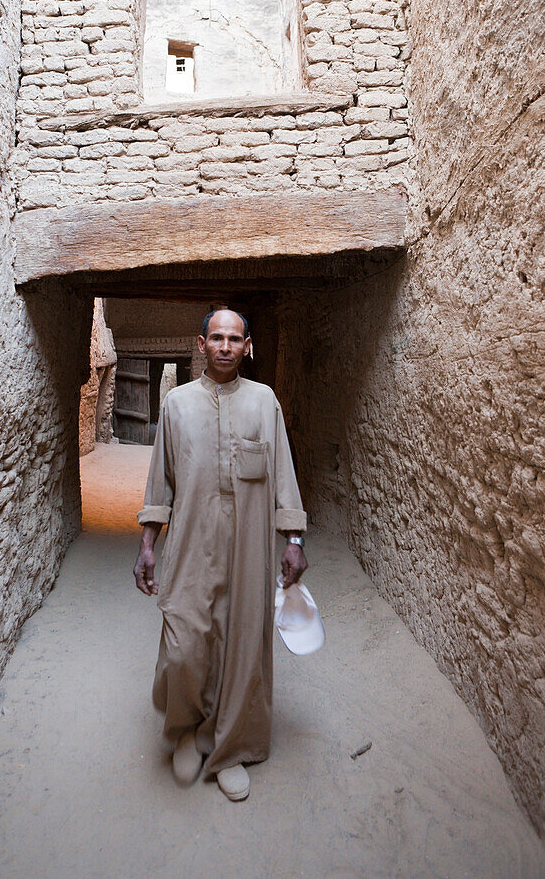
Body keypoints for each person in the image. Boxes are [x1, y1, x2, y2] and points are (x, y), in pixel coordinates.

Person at [133, 308, 308, 801]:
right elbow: (160, 480)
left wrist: (292, 540)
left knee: (243, 642)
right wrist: (148, 545)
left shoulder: (264, 401)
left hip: (250, 543)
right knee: (186, 639)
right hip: (190, 539)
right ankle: (186, 729)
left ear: (247, 346)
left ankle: (230, 748)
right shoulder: (178, 405)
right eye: (217, 338)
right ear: (201, 344)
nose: (226, 346)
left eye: (235, 338)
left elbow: (284, 474)